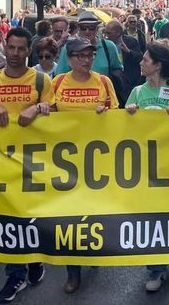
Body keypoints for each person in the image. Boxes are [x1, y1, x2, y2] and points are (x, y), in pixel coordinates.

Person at [0, 27, 54, 302]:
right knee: (9, 218)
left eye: (22, 49)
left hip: (34, 163)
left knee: (29, 215)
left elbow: (55, 112)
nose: (16, 53)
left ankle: (33, 260)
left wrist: (38, 108)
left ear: (28, 51)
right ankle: (15, 274)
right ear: (4, 47)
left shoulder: (42, 80)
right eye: (12, 48)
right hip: (0, 161)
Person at [51, 38, 118, 294]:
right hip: (64, 162)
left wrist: (105, 113)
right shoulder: (57, 82)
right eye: (79, 56)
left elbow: (118, 116)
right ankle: (73, 271)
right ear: (69, 59)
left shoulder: (103, 82)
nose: (86, 60)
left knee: (91, 212)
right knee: (68, 216)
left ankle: (91, 248)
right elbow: (47, 110)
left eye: (89, 55)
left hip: (95, 161)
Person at [125, 40, 169, 292]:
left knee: (168, 216)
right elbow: (122, 131)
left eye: (145, 59)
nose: (140, 62)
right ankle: (156, 267)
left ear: (158, 65)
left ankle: (167, 255)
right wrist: (128, 116)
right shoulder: (137, 94)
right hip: (144, 167)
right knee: (149, 216)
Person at [54, 12, 123, 77]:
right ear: (78, 28)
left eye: (91, 28)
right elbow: (60, 75)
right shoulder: (69, 48)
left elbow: (117, 69)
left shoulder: (109, 46)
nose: (87, 31)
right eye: (83, 28)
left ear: (97, 29)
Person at [105, 20, 144, 93]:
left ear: (118, 33)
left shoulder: (131, 41)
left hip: (129, 81)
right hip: (113, 82)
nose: (107, 35)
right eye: (105, 32)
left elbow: (140, 58)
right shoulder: (105, 44)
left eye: (109, 33)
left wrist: (128, 51)